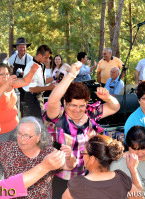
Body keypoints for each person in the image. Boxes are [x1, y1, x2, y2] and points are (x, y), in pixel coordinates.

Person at [43, 62, 120, 198]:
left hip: (87, 177)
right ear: (65, 103)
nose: (77, 110)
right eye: (73, 105)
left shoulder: (91, 114)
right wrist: (71, 75)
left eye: (81, 106)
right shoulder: (58, 117)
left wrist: (108, 97)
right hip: (61, 179)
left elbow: (114, 107)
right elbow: (53, 100)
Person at [0, 116, 77, 199]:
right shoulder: (8, 148)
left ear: (39, 137)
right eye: (19, 134)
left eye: (27, 136)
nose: (22, 139)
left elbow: (69, 166)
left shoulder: (48, 153)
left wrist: (70, 157)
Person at [0, 62, 39, 181]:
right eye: (2, 74)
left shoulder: (10, 83)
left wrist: (32, 71)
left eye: (7, 74)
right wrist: (7, 83)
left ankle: (12, 187)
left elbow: (25, 81)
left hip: (15, 128)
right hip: (0, 132)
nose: (6, 76)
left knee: (14, 159)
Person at [62, 135, 143, 199]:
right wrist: (133, 170)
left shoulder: (76, 185)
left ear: (92, 159)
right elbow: (139, 197)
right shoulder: (122, 179)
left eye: (84, 153)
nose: (82, 156)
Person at [22, 45, 55, 119]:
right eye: (46, 58)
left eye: (48, 58)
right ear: (39, 55)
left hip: (39, 96)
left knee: (41, 119)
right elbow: (32, 88)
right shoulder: (31, 66)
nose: (47, 60)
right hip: (32, 97)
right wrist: (48, 88)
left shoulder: (41, 65)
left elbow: (42, 81)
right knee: (37, 121)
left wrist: (54, 79)